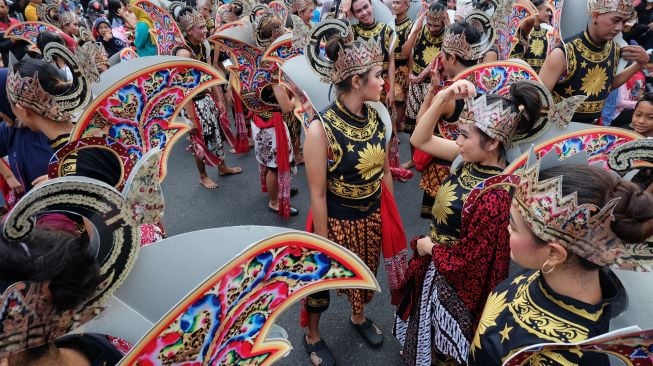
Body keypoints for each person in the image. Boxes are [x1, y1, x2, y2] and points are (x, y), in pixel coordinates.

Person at [397, 78, 543, 365]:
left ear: (492, 142)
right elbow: (419, 140)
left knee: (447, 347)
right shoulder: (468, 159)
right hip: (438, 263)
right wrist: (442, 97)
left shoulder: (497, 194)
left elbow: (473, 261)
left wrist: (430, 250)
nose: (457, 142)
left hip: (457, 280)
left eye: (464, 135)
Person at [468, 162, 653, 366]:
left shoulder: (576, 358)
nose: (506, 228)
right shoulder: (538, 275)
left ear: (554, 253)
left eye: (514, 225)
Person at [303, 21, 394, 366]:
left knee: (366, 273)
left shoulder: (375, 117)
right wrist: (324, 243)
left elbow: (384, 168)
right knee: (321, 281)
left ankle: (357, 316)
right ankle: (312, 335)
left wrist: (387, 215)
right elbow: (317, 194)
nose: (384, 81)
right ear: (357, 82)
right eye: (378, 76)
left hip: (370, 214)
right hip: (337, 219)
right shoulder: (319, 129)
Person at [413, 20, 484, 219]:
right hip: (477, 167)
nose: (440, 59)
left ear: (452, 57)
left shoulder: (449, 96)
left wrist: (433, 90)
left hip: (446, 170)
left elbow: (420, 125)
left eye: (442, 54)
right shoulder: (488, 82)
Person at [539, 0, 650, 124]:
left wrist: (639, 64)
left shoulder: (614, 49)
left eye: (624, 22)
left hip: (593, 130)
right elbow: (539, 99)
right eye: (615, 20)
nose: (619, 27)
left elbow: (606, 85)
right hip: (560, 131)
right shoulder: (563, 53)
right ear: (596, 15)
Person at [175, 6, 241, 190]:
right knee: (199, 139)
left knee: (216, 131)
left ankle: (222, 167)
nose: (205, 31)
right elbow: (183, 89)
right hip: (192, 102)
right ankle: (203, 176)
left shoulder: (204, 45)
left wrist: (218, 98)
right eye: (200, 28)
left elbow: (210, 72)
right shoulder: (184, 53)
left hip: (206, 97)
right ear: (189, 31)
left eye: (205, 27)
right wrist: (191, 118)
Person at [400, 1, 447, 169]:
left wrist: (448, 29)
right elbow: (406, 53)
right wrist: (416, 29)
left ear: (443, 20)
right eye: (430, 24)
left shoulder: (448, 35)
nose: (433, 28)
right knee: (413, 122)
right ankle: (414, 158)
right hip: (416, 83)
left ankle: (431, 160)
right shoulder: (421, 30)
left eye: (436, 25)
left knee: (431, 123)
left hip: (435, 85)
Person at [350, 0, 396, 108]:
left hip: (382, 85)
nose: (364, 12)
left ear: (372, 6)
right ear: (355, 15)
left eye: (366, 7)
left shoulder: (386, 30)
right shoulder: (351, 33)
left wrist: (392, 90)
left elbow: (391, 61)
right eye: (358, 11)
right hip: (360, 88)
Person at [509, 0, 552, 73]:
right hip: (515, 74)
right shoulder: (520, 29)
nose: (550, 14)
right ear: (536, 10)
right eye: (547, 10)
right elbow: (531, 18)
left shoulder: (548, 32)